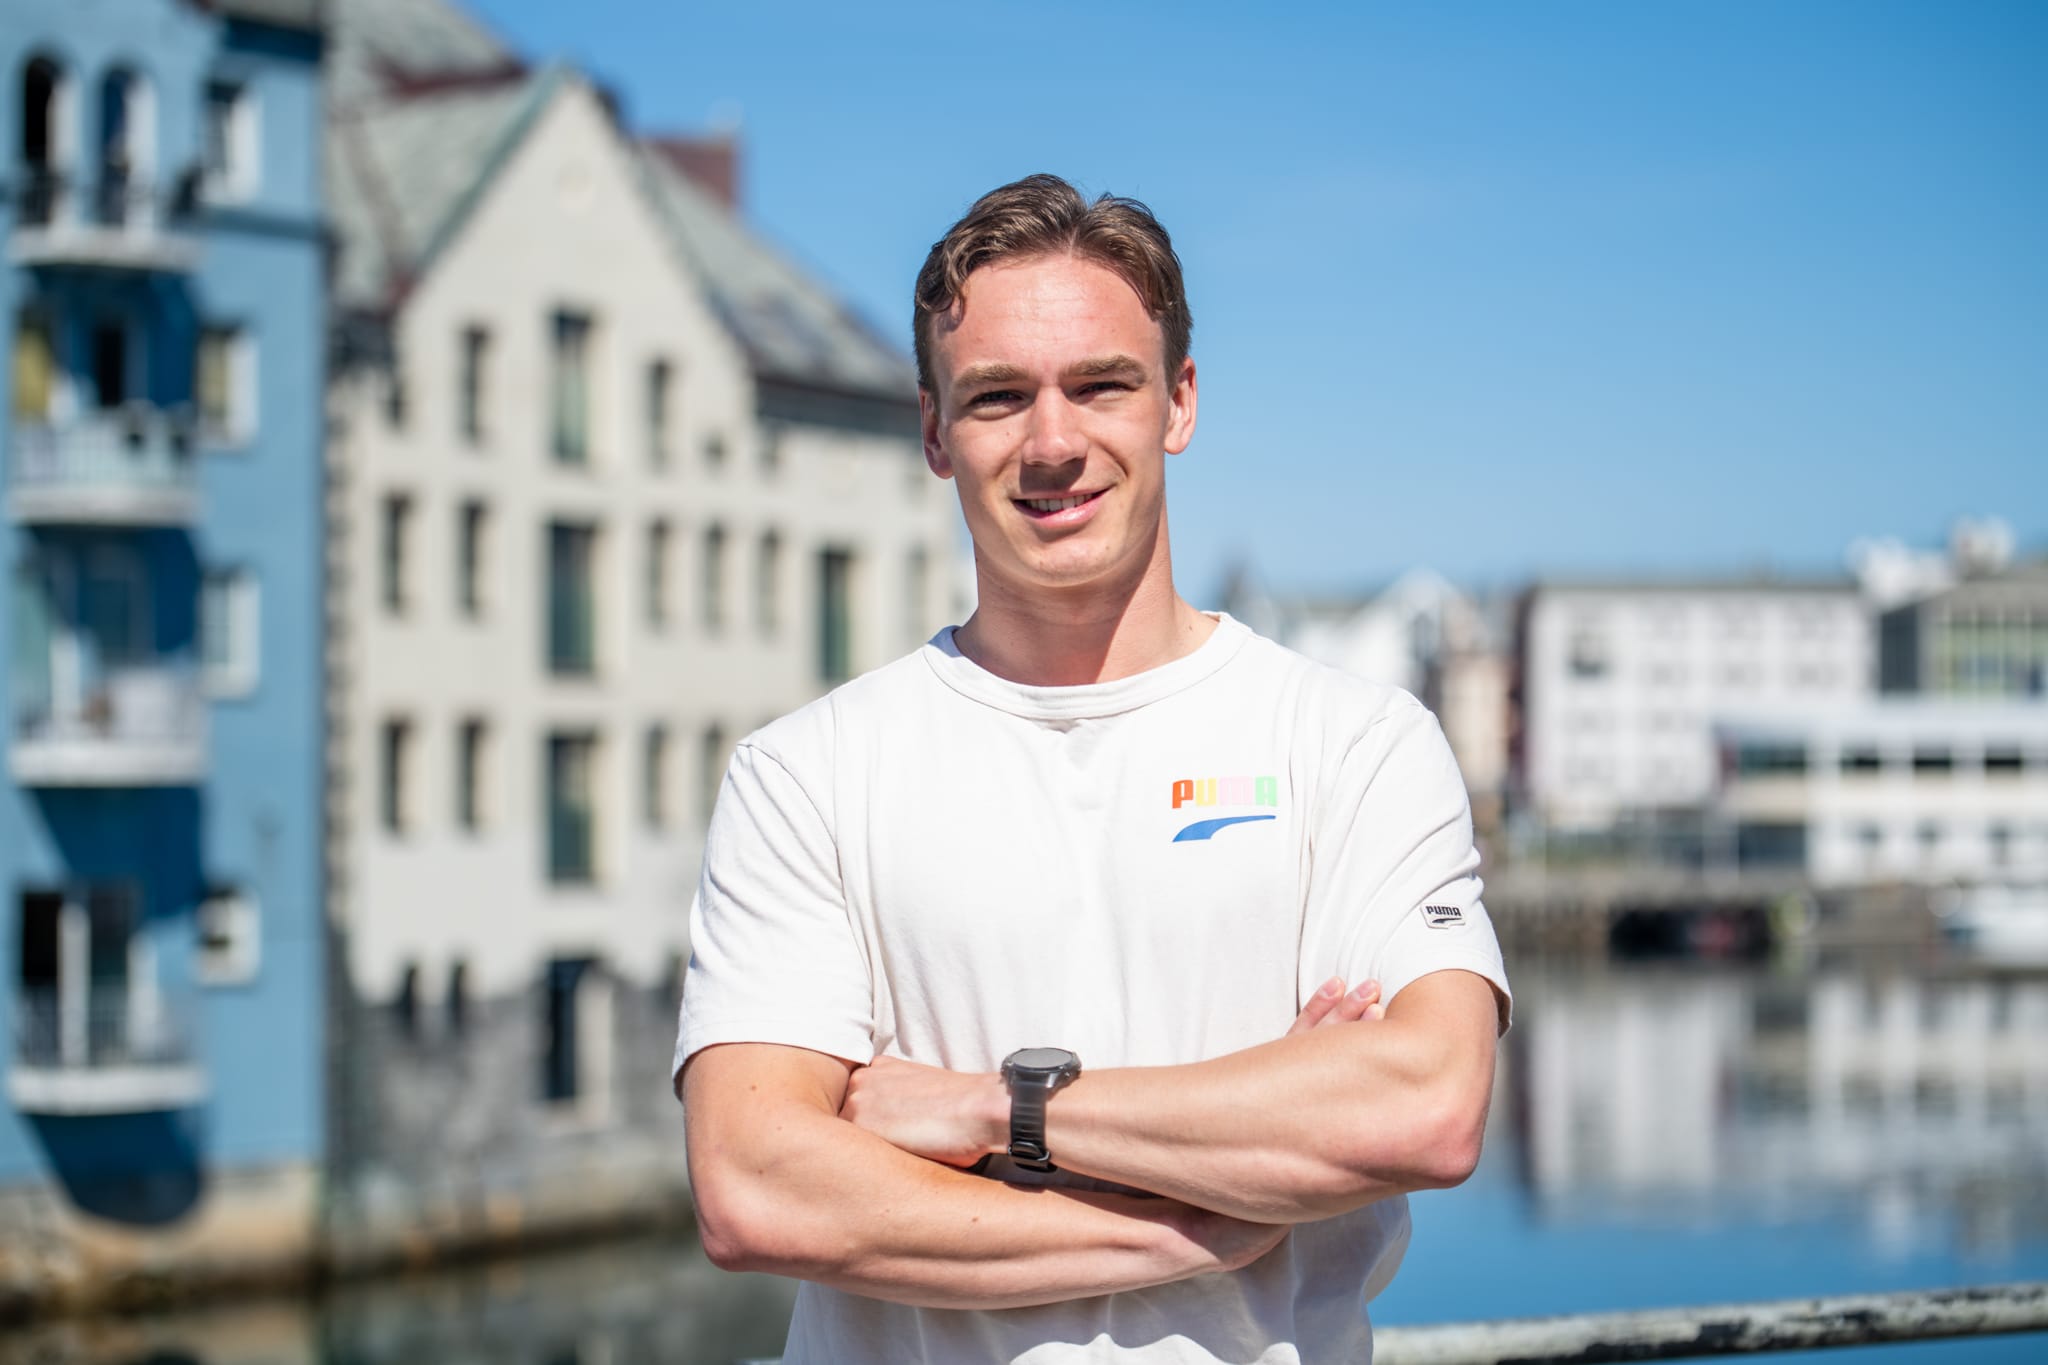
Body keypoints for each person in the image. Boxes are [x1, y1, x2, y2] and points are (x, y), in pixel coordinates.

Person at [674, 173, 1510, 1364]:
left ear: (1178, 401)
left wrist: (988, 1109)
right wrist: (1198, 1220)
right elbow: (756, 1186)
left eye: (1101, 385)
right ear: (933, 433)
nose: (1053, 444)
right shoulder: (806, 775)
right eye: (997, 397)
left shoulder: (1352, 745)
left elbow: (1423, 1108)